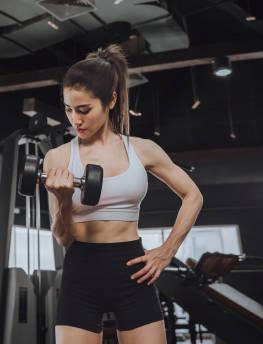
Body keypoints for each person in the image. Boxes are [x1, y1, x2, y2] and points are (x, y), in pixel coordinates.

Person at [44, 44, 203, 344]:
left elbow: (193, 196)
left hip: (133, 270)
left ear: (111, 100)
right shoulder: (58, 158)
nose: (74, 120)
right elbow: (64, 239)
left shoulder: (142, 149)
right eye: (68, 109)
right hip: (81, 271)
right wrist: (64, 200)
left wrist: (167, 251)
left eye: (84, 110)